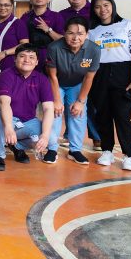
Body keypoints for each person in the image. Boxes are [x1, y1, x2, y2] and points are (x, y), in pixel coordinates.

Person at [89, 0, 131, 171]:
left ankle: (129, 155)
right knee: (103, 115)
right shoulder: (92, 31)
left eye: (106, 5)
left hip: (123, 73)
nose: (102, 10)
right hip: (100, 74)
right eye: (97, 7)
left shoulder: (128, 25)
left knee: (123, 117)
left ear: (112, 5)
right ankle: (106, 151)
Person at [0, 44, 56, 171]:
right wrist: (9, 128)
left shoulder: (42, 79)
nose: (27, 60)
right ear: (15, 59)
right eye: (22, 56)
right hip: (3, 120)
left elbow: (48, 108)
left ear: (37, 61)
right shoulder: (6, 75)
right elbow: (4, 103)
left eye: (31, 57)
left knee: (51, 137)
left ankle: (17, 146)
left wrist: (44, 135)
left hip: (26, 121)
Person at [47, 17, 100, 165]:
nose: (75, 38)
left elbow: (89, 78)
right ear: (64, 34)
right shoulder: (54, 47)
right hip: (57, 82)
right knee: (54, 112)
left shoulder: (94, 50)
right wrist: (57, 100)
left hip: (78, 84)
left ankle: (75, 150)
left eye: (80, 33)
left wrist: (80, 101)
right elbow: (52, 76)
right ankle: (52, 148)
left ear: (87, 34)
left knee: (78, 113)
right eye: (71, 33)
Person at [20, 0, 65, 73]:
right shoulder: (25, 17)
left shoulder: (56, 16)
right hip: (29, 58)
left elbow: (63, 40)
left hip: (50, 58)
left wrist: (48, 30)